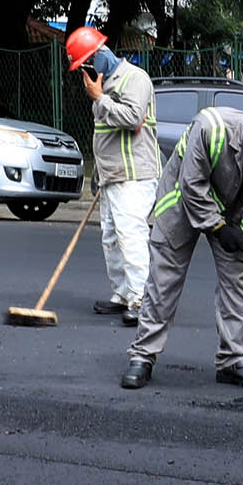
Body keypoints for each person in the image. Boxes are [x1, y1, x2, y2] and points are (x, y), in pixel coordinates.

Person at [124, 82, 243, 391]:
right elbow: (192, 184)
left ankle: (232, 361)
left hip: (235, 216)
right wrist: (217, 227)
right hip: (182, 204)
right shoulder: (211, 126)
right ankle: (142, 356)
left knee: (239, 284)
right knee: (164, 281)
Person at [69, 26, 159, 322]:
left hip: (133, 175)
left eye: (85, 64)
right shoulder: (104, 85)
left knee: (130, 235)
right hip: (111, 176)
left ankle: (141, 300)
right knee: (111, 237)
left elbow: (133, 119)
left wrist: (98, 98)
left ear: (97, 55)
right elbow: (106, 134)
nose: (84, 71)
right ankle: (123, 293)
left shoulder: (135, 79)